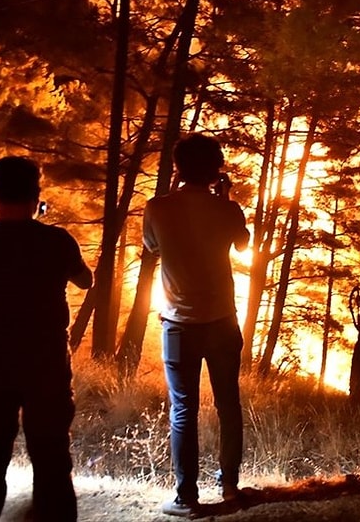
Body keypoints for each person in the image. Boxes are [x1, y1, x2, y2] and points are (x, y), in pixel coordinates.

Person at [0, 156, 93, 522]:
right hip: (46, 368)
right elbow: (86, 280)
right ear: (35, 197)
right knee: (52, 463)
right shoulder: (56, 241)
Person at [143, 133, 250, 517]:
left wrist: (176, 194)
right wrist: (224, 199)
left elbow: (152, 246)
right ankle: (230, 486)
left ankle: (186, 497)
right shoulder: (228, 210)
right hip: (222, 321)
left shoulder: (157, 207)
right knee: (228, 404)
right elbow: (243, 244)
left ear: (177, 168)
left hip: (178, 325)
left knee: (183, 409)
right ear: (217, 170)